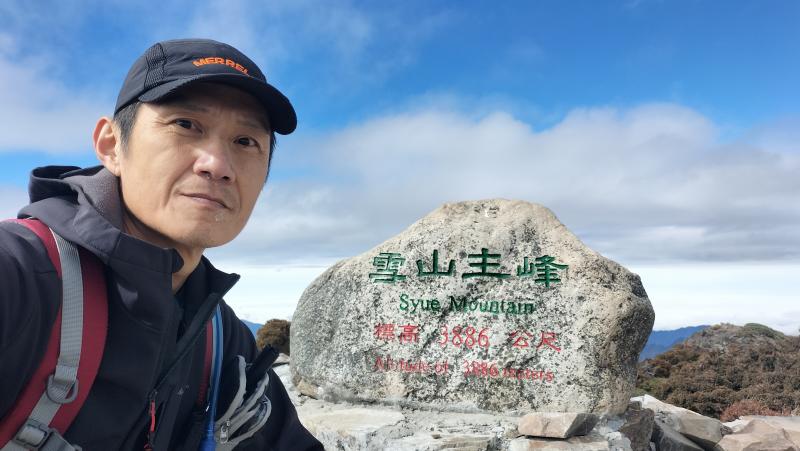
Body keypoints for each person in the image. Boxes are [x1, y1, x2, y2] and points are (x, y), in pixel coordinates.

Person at [0, 39, 323, 450]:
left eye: (245, 141)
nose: (217, 165)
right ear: (111, 145)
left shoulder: (220, 336)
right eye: (186, 124)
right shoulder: (19, 278)